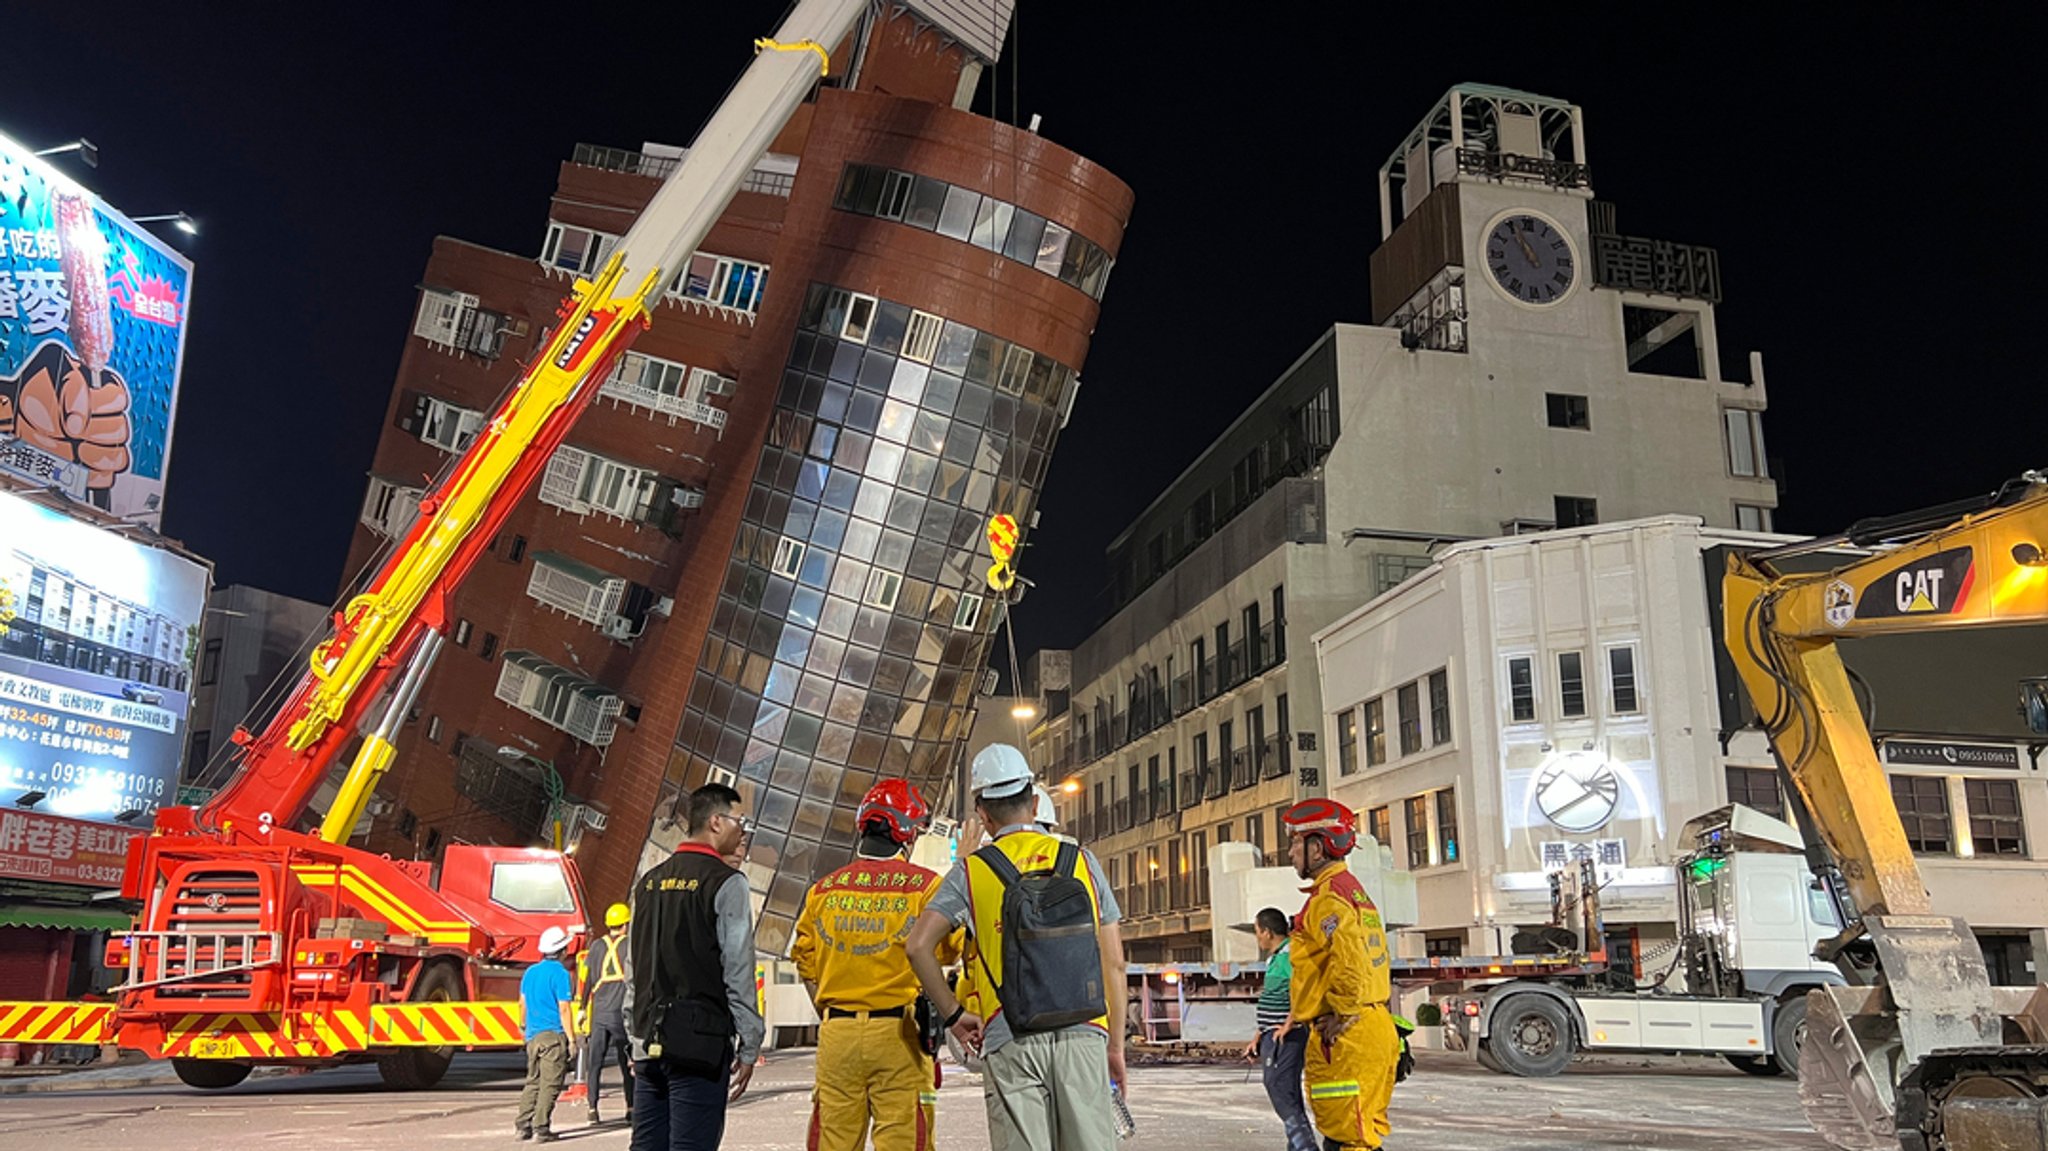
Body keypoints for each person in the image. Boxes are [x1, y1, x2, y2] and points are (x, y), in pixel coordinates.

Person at [907, 744, 1127, 1151]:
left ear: (983, 813)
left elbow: (918, 946)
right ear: (1034, 798)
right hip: (1083, 1034)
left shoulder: (971, 871)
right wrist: (1114, 1046)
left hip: (1010, 1036)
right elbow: (1114, 964)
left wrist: (954, 1015)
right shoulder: (1082, 860)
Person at [791, 779, 957, 1151]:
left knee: (832, 1141)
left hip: (837, 1035)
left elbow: (805, 961)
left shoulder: (824, 891)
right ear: (907, 833)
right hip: (900, 1035)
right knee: (903, 1140)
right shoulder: (924, 888)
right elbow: (950, 950)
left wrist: (833, 1011)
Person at [625, 783, 763, 1151]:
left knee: (646, 1146)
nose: (743, 831)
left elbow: (633, 969)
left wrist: (633, 1038)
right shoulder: (726, 882)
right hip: (698, 1043)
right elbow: (738, 970)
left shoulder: (648, 883)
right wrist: (750, 1043)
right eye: (740, 821)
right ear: (716, 822)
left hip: (647, 1039)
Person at [1282, 799, 1400, 1151]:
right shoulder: (1352, 892)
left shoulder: (1329, 899)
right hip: (1369, 1028)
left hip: (1348, 1036)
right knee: (1357, 1133)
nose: (1290, 853)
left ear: (1316, 848)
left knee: (1350, 1137)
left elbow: (1348, 961)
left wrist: (1344, 1012)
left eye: (1295, 844)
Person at [1243, 907, 1316, 1151]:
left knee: (1279, 1088)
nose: (1257, 938)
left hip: (1286, 1036)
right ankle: (1297, 1146)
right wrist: (1258, 1036)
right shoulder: (1274, 958)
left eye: (1257, 932)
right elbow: (1271, 995)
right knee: (1285, 1091)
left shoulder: (1291, 955)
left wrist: (1290, 1023)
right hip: (1270, 1034)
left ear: (1267, 931)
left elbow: (1302, 988)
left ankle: (1306, 1146)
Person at [517, 925, 577, 1143]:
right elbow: (564, 1008)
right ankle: (541, 1128)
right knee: (550, 1084)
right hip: (553, 1036)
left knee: (533, 1081)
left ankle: (523, 1125)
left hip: (533, 1036)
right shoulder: (561, 974)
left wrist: (523, 1026)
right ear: (562, 950)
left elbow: (522, 1003)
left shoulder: (530, 972)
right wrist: (572, 1040)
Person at [581, 901, 634, 1125]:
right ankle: (631, 1108)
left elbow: (587, 980)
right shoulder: (630, 946)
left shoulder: (595, 947)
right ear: (625, 924)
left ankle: (592, 1109)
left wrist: (582, 1008)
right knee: (627, 1064)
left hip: (599, 1015)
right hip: (620, 1014)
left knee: (595, 1064)